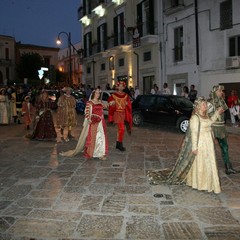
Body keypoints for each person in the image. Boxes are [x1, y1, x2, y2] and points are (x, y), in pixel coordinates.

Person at [147, 97, 223, 194]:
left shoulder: (205, 115)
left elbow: (210, 122)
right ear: (199, 106)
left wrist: (217, 113)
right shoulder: (195, 118)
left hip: (208, 143)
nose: (206, 106)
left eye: (205, 104)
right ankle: (200, 183)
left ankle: (209, 183)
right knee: (201, 163)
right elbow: (194, 134)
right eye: (204, 104)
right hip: (201, 143)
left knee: (209, 162)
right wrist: (194, 147)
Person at [60, 88, 108, 160]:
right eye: (97, 93)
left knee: (101, 137)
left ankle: (100, 153)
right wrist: (89, 119)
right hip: (93, 122)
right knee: (93, 137)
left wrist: (110, 103)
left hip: (100, 122)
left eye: (99, 93)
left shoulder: (100, 102)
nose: (98, 94)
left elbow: (105, 107)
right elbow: (87, 112)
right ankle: (92, 152)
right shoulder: (90, 102)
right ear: (94, 94)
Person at [208, 85, 237, 175]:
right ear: (215, 91)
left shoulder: (221, 101)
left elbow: (224, 110)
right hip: (212, 127)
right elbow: (207, 115)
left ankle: (228, 167)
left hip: (221, 127)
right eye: (220, 91)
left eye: (222, 91)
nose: (222, 92)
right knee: (208, 148)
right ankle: (207, 168)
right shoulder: (210, 102)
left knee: (225, 147)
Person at [108, 81, 132, 151]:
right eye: (119, 86)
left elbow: (129, 104)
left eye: (122, 86)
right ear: (117, 87)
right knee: (122, 128)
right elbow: (109, 103)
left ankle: (118, 143)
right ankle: (119, 144)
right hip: (117, 114)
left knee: (120, 129)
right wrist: (112, 103)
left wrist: (127, 104)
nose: (120, 87)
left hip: (123, 114)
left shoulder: (126, 95)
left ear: (124, 87)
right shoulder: (113, 95)